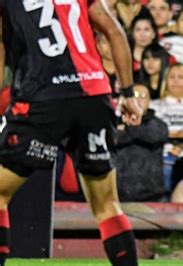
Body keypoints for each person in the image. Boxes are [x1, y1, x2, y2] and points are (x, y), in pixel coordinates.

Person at [0, 1, 143, 266]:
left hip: (41, 99)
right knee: (107, 206)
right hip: (94, 98)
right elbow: (114, 31)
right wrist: (127, 93)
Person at [116, 84, 168, 202]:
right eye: (133, 96)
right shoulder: (112, 123)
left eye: (142, 96)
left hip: (151, 195)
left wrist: (127, 129)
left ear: (149, 101)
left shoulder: (158, 124)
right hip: (117, 194)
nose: (138, 100)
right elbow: (112, 139)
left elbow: (153, 136)